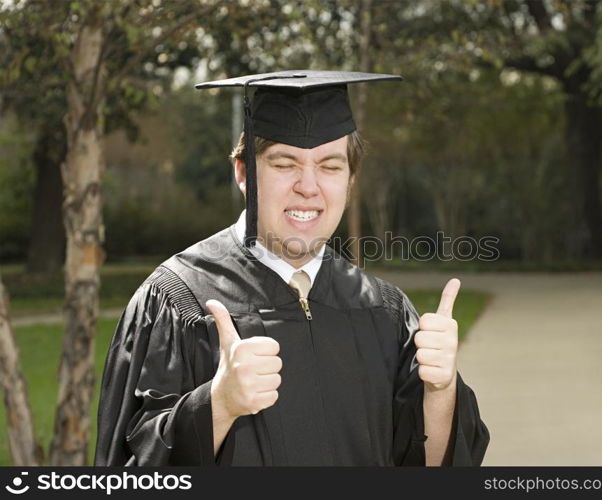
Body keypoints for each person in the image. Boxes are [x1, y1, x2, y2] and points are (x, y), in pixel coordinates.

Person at [95, 70, 489, 466]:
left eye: (330, 166)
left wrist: (440, 390)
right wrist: (217, 406)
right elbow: (130, 468)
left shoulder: (385, 311)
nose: (308, 185)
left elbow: (433, 464)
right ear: (243, 173)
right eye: (285, 164)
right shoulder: (177, 301)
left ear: (351, 180)